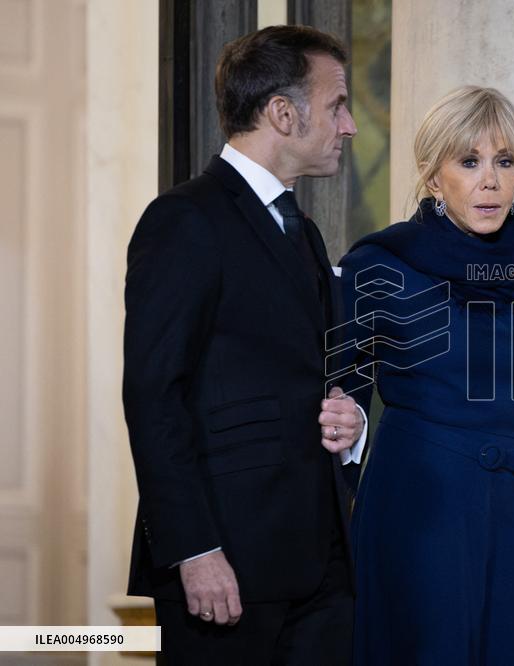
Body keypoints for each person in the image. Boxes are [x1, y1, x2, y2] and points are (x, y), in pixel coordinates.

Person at [324, 86, 514, 664]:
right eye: (469, 162)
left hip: (511, 521)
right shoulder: (379, 264)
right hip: (415, 513)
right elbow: (334, 402)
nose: (490, 181)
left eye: (505, 161)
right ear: (433, 177)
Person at [123, 25, 367, 665]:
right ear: (284, 114)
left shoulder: (303, 231)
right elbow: (153, 395)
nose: (350, 126)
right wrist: (194, 551)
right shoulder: (184, 220)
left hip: (321, 569)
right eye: (338, 104)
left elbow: (309, 374)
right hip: (224, 572)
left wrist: (351, 418)